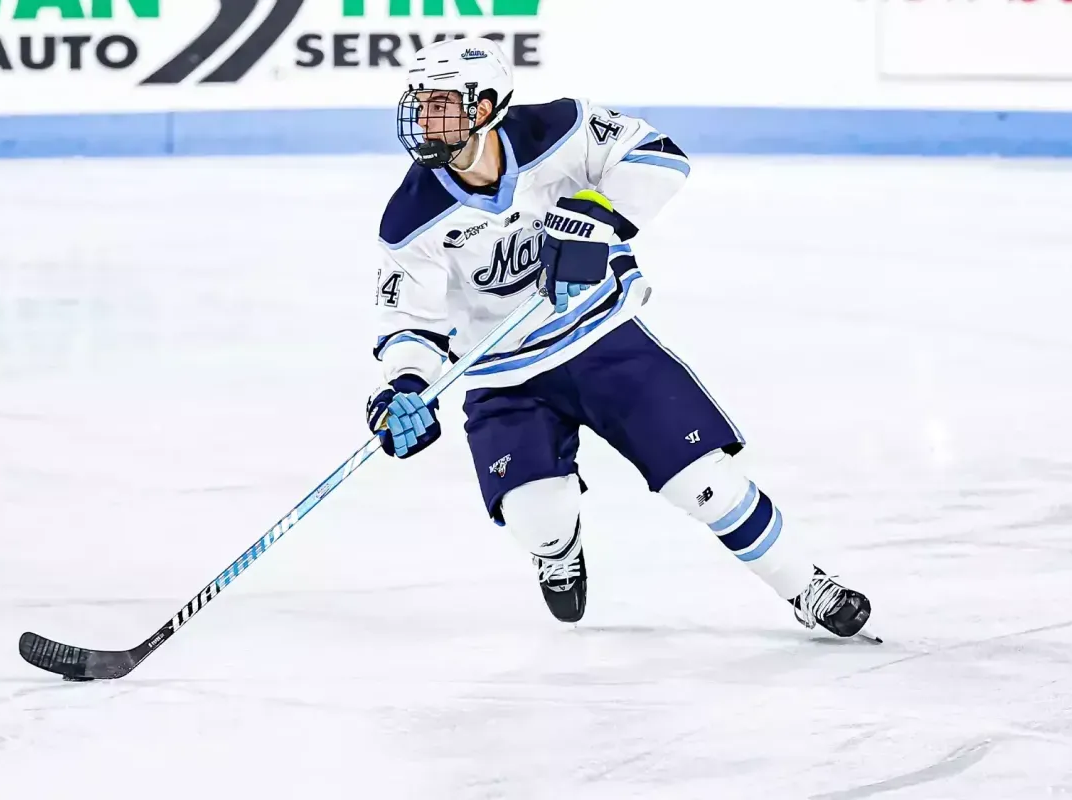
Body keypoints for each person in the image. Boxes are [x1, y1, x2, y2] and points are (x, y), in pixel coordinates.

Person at [363, 37, 874, 639]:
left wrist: (597, 213)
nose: (423, 120)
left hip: (604, 340)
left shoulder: (558, 128)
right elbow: (411, 323)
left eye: (441, 104)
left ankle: (805, 584)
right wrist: (404, 384)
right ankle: (556, 552)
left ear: (484, 107)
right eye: (419, 104)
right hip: (505, 376)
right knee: (537, 516)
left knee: (704, 482)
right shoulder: (410, 217)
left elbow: (660, 156)